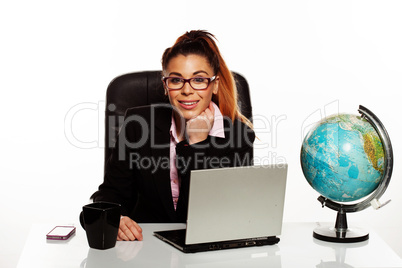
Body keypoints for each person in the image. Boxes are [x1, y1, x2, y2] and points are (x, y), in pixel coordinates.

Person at [90, 30, 255, 241]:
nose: (187, 90)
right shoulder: (138, 125)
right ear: (165, 85)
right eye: (177, 80)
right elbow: (110, 194)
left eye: (199, 79)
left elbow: (223, 213)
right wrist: (115, 217)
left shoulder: (238, 136)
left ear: (214, 85)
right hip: (145, 248)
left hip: (208, 252)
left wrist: (197, 144)